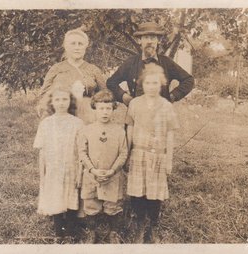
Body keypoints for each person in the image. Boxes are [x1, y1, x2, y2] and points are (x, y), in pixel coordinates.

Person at [125, 64, 180, 243]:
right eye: (148, 82)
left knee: (154, 193)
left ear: (161, 84)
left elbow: (170, 133)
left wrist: (169, 159)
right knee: (138, 191)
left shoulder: (166, 106)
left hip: (158, 155)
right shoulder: (134, 103)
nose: (151, 86)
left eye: (155, 83)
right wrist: (126, 153)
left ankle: (153, 224)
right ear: (142, 84)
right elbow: (130, 129)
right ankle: (139, 224)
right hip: (138, 153)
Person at [33, 86, 84, 241]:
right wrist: (43, 173)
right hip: (53, 167)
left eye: (65, 99)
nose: (61, 103)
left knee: (71, 195)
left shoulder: (78, 123)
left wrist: (80, 172)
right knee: (55, 195)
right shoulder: (46, 123)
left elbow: (82, 150)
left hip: (71, 165)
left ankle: (69, 231)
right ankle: (58, 232)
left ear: (70, 101)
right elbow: (42, 152)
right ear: (51, 102)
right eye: (57, 100)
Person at [77, 90, 128, 243]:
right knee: (91, 204)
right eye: (101, 108)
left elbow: (123, 153)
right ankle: (91, 232)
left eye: (108, 108)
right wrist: (92, 169)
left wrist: (113, 170)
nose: (104, 112)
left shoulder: (119, 131)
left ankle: (113, 232)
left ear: (113, 109)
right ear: (95, 109)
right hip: (92, 175)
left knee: (113, 205)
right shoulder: (87, 130)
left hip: (112, 175)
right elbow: (82, 152)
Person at [107, 22, 194, 105]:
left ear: (158, 41)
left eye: (152, 38)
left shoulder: (166, 63)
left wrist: (172, 96)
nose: (149, 41)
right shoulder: (130, 63)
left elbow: (189, 80)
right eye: (146, 37)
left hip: (160, 114)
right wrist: (123, 96)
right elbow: (111, 82)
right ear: (139, 41)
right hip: (137, 114)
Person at [37, 28, 106, 123]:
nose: (77, 47)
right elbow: (43, 95)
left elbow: (104, 96)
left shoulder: (93, 70)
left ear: (85, 47)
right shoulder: (56, 69)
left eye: (80, 44)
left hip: (87, 118)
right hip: (60, 117)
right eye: (73, 43)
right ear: (66, 46)